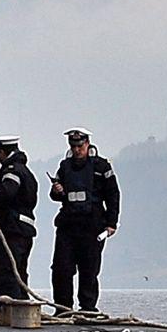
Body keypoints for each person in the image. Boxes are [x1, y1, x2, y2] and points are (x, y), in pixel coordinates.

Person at [48, 127, 119, 312]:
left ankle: (88, 307)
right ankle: (63, 308)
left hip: (93, 225)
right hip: (68, 225)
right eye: (73, 146)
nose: (76, 149)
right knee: (61, 268)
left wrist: (111, 223)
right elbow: (55, 195)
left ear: (87, 144)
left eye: (80, 145)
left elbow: (113, 194)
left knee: (89, 269)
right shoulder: (64, 167)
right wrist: (57, 191)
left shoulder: (101, 167)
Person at [0, 136, 39, 301]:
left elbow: (7, 193)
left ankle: (11, 311)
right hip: (25, 229)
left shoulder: (12, 170)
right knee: (20, 273)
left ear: (2, 152)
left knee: (8, 272)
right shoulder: (27, 172)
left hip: (13, 229)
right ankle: (22, 307)